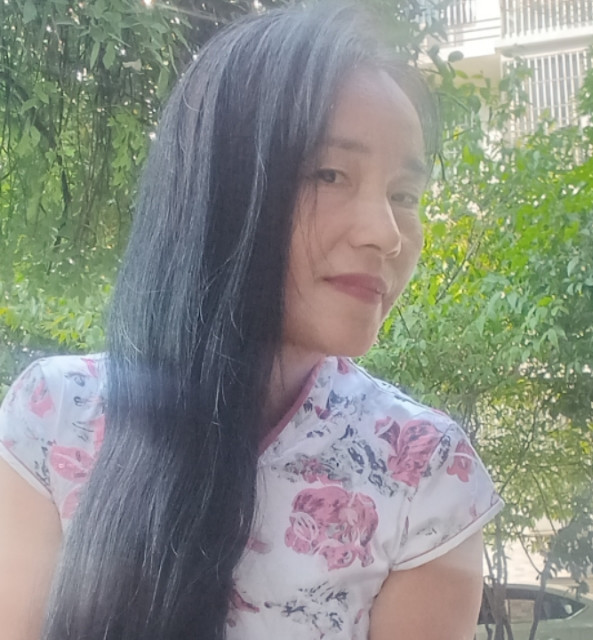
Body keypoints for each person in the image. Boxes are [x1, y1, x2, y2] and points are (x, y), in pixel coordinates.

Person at [0, 4, 503, 640]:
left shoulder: (423, 471)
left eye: (404, 195)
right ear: (222, 185)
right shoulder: (55, 417)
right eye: (329, 174)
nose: (386, 233)